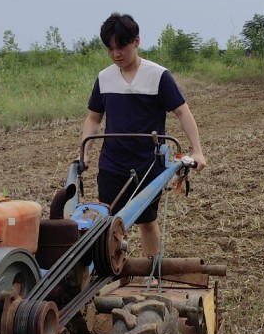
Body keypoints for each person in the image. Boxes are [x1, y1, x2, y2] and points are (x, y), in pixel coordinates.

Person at [81, 13, 206, 258]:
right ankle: (117, 275)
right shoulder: (104, 78)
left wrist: (198, 150)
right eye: (110, 49)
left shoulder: (158, 76)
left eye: (121, 47)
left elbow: (182, 111)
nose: (116, 54)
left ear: (136, 42)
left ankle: (152, 272)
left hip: (147, 165)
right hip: (112, 163)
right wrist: (84, 153)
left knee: (147, 221)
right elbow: (94, 118)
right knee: (110, 224)